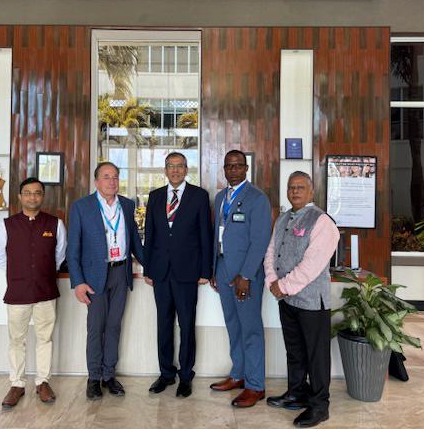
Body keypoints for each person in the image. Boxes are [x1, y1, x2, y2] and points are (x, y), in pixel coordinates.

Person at [264, 171, 340, 428]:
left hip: (311, 302)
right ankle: (296, 393)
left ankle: (319, 406)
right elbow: (271, 252)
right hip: (287, 301)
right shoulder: (283, 218)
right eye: (291, 187)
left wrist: (283, 286)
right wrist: (272, 282)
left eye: (300, 187)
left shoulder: (322, 221)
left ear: (311, 192)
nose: (295, 191)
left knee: (316, 356)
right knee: (294, 351)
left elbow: (312, 264)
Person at [66, 162, 145, 400]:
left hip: (121, 272)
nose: (112, 181)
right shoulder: (81, 207)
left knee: (114, 326)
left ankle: (109, 375)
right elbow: (73, 249)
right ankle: (94, 378)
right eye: (106, 177)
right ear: (96, 181)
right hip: (94, 276)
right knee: (96, 328)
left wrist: (151, 267)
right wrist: (77, 282)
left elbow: (135, 242)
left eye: (115, 177)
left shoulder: (127, 205)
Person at [144, 152, 212, 398]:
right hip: (160, 272)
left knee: (186, 324)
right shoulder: (155, 196)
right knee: (163, 324)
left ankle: (185, 376)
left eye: (179, 166)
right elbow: (149, 234)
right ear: (165, 170)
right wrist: (148, 268)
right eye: (170, 166)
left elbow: (205, 234)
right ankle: (166, 374)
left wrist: (205, 270)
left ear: (186, 169)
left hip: (188, 272)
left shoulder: (199, 196)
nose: (175, 170)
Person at [0, 177, 66, 408]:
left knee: (45, 338)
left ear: (42, 196)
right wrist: (22, 274)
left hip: (46, 290)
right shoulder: (6, 225)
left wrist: (41, 273)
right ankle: (17, 384)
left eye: (37, 193)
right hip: (18, 292)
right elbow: (0, 258)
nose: (32, 197)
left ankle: (43, 382)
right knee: (17, 340)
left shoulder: (55, 224)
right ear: (20, 196)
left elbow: (59, 256)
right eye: (27, 193)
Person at [210, 149, 271, 408]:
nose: (233, 170)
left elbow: (260, 241)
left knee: (251, 329)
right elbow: (217, 236)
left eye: (238, 166)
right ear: (224, 169)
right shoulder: (220, 198)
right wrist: (214, 269)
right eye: (229, 166)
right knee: (233, 325)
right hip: (223, 269)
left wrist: (246, 275)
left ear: (246, 168)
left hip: (245, 275)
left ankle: (255, 385)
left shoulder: (257, 198)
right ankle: (239, 374)